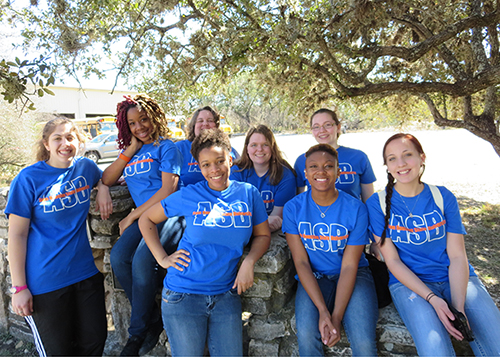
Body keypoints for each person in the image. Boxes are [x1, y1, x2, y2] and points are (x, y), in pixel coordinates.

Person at [139, 128, 271, 356]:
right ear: (199, 167)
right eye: (206, 164)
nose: (214, 169)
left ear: (230, 159)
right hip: (183, 295)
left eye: (220, 161)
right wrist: (162, 258)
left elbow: (263, 235)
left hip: (226, 294)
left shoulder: (248, 193)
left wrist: (249, 261)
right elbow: (146, 219)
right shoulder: (190, 194)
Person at [366, 133, 500, 356]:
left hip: (455, 277)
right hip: (410, 283)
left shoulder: (442, 196)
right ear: (387, 166)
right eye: (392, 158)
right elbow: (393, 261)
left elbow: (457, 257)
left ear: (422, 158)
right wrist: (433, 300)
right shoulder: (377, 203)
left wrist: (457, 308)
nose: (401, 164)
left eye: (407, 155)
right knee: (436, 349)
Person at [6, 117, 112, 356]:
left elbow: (105, 177)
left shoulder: (85, 168)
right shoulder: (28, 179)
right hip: (45, 283)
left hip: (85, 275)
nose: (65, 143)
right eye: (58, 138)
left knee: (95, 342)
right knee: (58, 352)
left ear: (78, 141)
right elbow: (17, 235)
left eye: (70, 137)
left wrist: (103, 187)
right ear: (46, 144)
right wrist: (19, 287)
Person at [102, 94, 185, 356]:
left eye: (144, 119)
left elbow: (168, 190)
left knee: (140, 261)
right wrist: (129, 151)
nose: (140, 127)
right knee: (118, 258)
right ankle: (151, 320)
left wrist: (132, 215)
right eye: (133, 123)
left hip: (170, 215)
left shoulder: (167, 147)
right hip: (146, 217)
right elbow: (107, 178)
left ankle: (136, 335)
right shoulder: (135, 151)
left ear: (155, 118)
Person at [283, 144, 378, 356]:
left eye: (328, 166)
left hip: (355, 274)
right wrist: (323, 311)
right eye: (314, 166)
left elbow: (349, 265)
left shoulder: (356, 208)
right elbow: (301, 262)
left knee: (363, 343)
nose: (321, 171)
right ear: (305, 173)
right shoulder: (293, 208)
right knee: (307, 337)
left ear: (339, 171)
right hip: (314, 275)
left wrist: (335, 316)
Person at [294, 108, 375, 202]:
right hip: (316, 216)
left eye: (327, 125)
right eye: (316, 127)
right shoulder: (302, 160)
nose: (322, 130)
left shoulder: (359, 157)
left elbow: (369, 201)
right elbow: (299, 201)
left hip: (353, 215)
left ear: (338, 127)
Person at [231, 124, 296, 232]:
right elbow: (235, 214)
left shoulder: (285, 176)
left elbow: (276, 220)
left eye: (265, 144)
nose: (259, 149)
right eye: (254, 145)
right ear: (247, 148)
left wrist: (251, 223)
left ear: (272, 147)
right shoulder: (237, 172)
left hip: (272, 232)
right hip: (241, 230)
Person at [176, 106, 239, 186]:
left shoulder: (227, 150)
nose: (205, 124)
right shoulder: (179, 148)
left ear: (216, 125)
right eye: (200, 121)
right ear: (194, 125)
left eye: (210, 120)